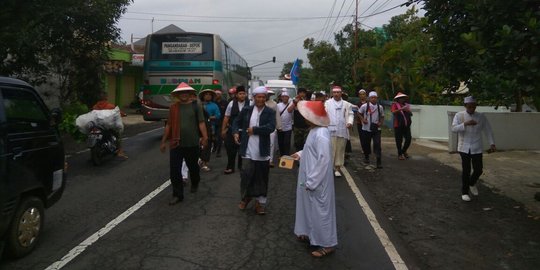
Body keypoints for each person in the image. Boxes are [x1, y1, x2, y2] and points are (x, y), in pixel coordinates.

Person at [291, 100, 337, 258]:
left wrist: (312, 181)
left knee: (321, 211)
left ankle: (327, 244)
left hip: (317, 181)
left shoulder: (322, 134)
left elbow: (324, 161)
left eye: (306, 116)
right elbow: (310, 149)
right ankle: (308, 232)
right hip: (310, 177)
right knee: (308, 207)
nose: (304, 118)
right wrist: (299, 154)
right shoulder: (314, 130)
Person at [160, 82, 208, 205]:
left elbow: (201, 123)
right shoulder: (173, 108)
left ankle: (195, 181)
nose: (184, 94)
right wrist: (164, 141)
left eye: (186, 92)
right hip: (176, 143)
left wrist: (205, 137)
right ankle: (177, 195)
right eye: (181, 93)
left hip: (192, 143)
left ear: (190, 94)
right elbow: (169, 125)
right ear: (178, 95)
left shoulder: (196, 106)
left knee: (193, 167)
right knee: (174, 170)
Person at [232, 86, 276, 215]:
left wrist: (255, 130)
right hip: (247, 150)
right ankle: (245, 199)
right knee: (246, 176)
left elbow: (271, 127)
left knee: (262, 178)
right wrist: (235, 132)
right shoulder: (246, 110)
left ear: (266, 98)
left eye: (263, 97)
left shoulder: (270, 112)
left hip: (262, 151)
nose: (261, 99)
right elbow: (236, 122)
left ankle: (260, 203)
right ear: (254, 98)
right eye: (258, 97)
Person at [451, 96, 496, 202]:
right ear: (465, 106)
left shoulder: (481, 116)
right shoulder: (459, 115)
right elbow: (453, 129)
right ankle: (465, 192)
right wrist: (465, 124)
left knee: (478, 169)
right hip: (463, 147)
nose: (472, 109)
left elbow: (488, 130)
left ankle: (471, 183)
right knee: (466, 170)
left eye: (474, 107)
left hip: (476, 146)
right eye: (470, 107)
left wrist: (492, 143)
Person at [324, 86, 354, 177]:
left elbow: (350, 114)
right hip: (330, 129)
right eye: (335, 93)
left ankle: (337, 168)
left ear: (341, 93)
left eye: (338, 92)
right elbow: (324, 114)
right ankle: (329, 167)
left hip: (342, 129)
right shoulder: (327, 103)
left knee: (340, 149)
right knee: (330, 149)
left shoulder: (347, 104)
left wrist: (349, 122)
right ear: (332, 94)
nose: (336, 94)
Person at [92, 91, 128, 159]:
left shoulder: (94, 107)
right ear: (106, 98)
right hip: (108, 127)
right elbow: (118, 113)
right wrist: (124, 114)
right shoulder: (110, 106)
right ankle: (119, 151)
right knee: (118, 135)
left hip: (98, 126)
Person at [221, 86, 247, 174]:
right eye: (240, 94)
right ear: (236, 95)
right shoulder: (231, 103)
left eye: (244, 94)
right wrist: (223, 130)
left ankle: (241, 166)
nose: (242, 95)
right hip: (232, 130)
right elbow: (226, 117)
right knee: (230, 149)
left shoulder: (250, 103)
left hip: (245, 130)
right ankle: (230, 167)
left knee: (242, 150)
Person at [358, 91, 384, 169]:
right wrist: (363, 120)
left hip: (376, 129)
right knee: (366, 144)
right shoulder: (364, 106)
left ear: (377, 98)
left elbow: (382, 116)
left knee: (377, 144)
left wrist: (380, 123)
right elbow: (359, 113)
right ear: (369, 98)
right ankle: (366, 157)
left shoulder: (380, 107)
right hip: (366, 128)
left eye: (375, 98)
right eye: (372, 97)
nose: (373, 99)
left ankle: (378, 161)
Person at [199, 89, 221, 171]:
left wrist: (208, 118)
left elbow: (218, 115)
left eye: (209, 94)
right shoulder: (199, 104)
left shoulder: (214, 105)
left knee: (207, 145)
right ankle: (199, 160)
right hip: (197, 127)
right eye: (206, 94)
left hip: (210, 127)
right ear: (203, 96)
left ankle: (205, 163)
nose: (208, 96)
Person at [391, 92, 413, 160]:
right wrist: (401, 109)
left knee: (408, 138)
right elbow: (393, 112)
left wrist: (408, 111)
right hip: (398, 125)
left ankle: (403, 151)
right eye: (400, 98)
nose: (402, 99)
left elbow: (411, 114)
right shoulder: (395, 104)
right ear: (397, 99)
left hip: (406, 125)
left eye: (403, 98)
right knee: (399, 140)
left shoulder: (407, 105)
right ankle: (400, 154)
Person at [265, 90, 281, 167]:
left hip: (271, 126)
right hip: (260, 126)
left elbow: (277, 115)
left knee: (271, 144)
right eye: (266, 94)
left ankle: (270, 160)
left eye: (268, 94)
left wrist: (279, 126)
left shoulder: (274, 104)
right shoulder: (258, 103)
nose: (267, 96)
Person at [276, 91, 294, 156]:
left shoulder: (291, 105)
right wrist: (278, 126)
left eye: (286, 97)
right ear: (281, 98)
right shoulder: (278, 105)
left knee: (287, 142)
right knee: (280, 142)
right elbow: (277, 116)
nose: (284, 98)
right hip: (280, 127)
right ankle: (281, 155)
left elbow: (291, 110)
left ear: (288, 97)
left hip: (288, 127)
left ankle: (286, 156)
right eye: (283, 97)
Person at [355, 89, 368, 155]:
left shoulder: (369, 103)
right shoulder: (357, 104)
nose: (362, 96)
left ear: (366, 95)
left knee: (367, 136)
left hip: (367, 122)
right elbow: (357, 113)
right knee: (362, 136)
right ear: (359, 96)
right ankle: (364, 148)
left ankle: (367, 148)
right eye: (361, 94)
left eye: (363, 94)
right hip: (359, 122)